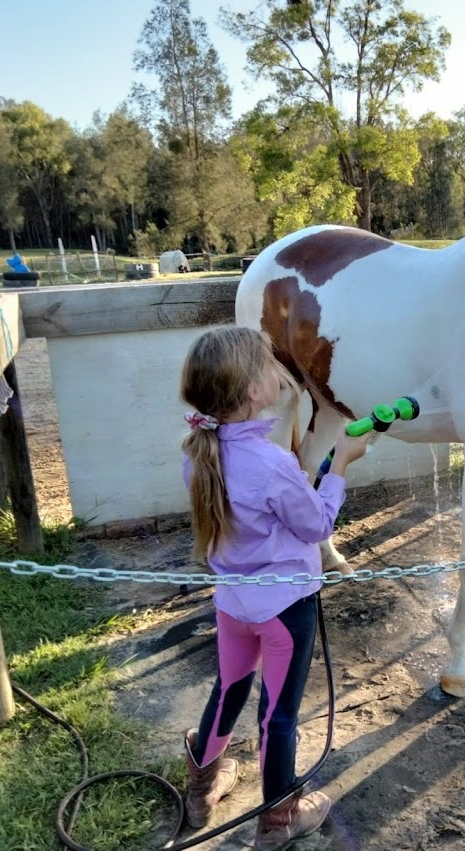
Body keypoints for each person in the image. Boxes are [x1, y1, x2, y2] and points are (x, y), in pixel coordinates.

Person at [179, 325, 370, 850]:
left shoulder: (199, 452)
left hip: (232, 604)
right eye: (267, 366)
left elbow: (258, 518)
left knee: (229, 687)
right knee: (278, 714)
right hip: (286, 609)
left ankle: (202, 788)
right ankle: (279, 819)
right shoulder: (272, 464)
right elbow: (315, 526)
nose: (275, 372)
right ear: (253, 392)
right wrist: (340, 469)